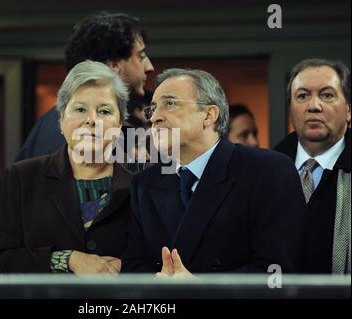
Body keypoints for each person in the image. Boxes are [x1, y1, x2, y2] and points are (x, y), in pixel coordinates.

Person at [121, 68, 305, 276]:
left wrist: (200, 290)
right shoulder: (144, 185)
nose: (155, 117)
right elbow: (133, 268)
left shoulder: (268, 171)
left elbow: (278, 272)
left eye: (170, 103)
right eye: (152, 109)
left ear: (209, 115)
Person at [0, 61, 133, 274]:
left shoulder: (141, 185)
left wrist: (128, 268)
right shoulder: (21, 178)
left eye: (104, 111)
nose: (92, 120)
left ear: (120, 124)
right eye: (80, 109)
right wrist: (66, 259)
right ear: (61, 119)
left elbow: (155, 259)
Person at [16, 11, 154, 161]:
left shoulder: (52, 122)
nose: (149, 67)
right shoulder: (86, 131)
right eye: (140, 57)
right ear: (114, 66)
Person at [274, 58, 351, 274]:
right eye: (302, 96)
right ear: (290, 109)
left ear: (348, 110)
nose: (314, 106)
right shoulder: (263, 173)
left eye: (327, 95)